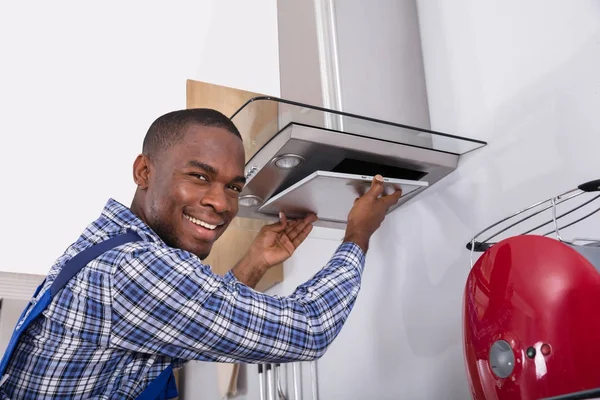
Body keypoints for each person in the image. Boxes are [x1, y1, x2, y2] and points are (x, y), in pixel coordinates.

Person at [0, 108, 402, 399]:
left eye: (233, 187)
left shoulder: (111, 244)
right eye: (199, 176)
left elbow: (164, 341)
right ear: (144, 172)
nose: (222, 203)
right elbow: (308, 330)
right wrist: (357, 234)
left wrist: (254, 263)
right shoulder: (135, 269)